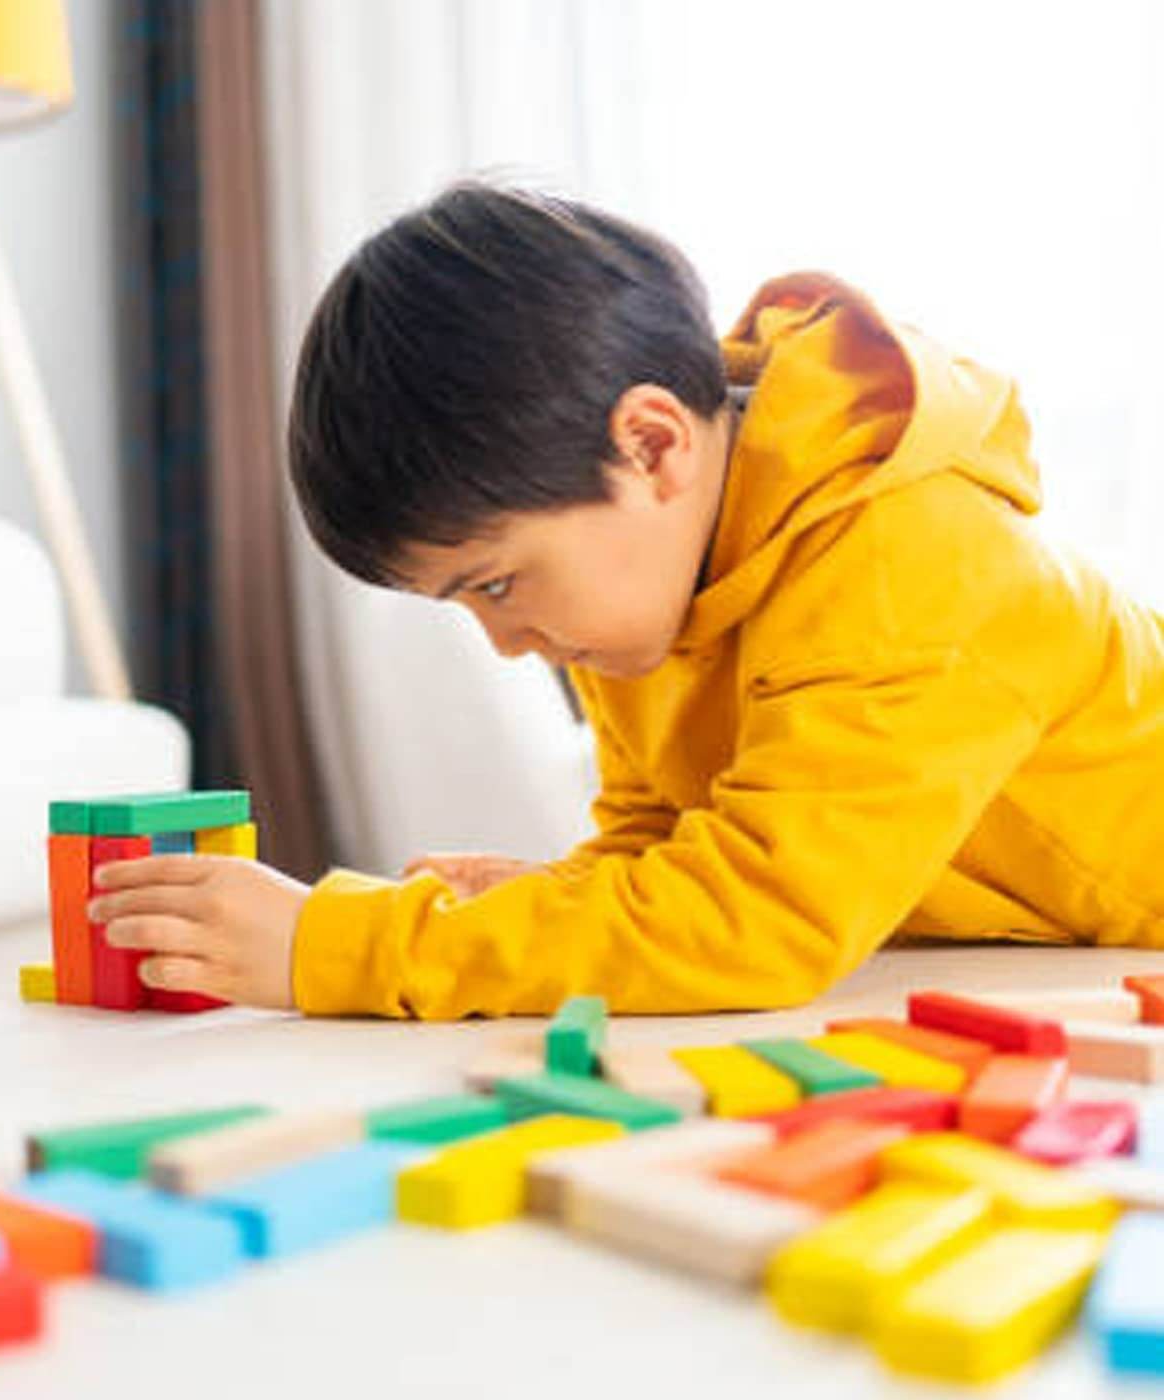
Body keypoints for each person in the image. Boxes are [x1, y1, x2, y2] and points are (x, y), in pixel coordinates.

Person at [86, 181, 1164, 1020]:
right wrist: (528, 908)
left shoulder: (912, 565)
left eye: (496, 583)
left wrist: (346, 945)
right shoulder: (655, 591)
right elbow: (668, 843)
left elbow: (752, 923)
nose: (506, 643)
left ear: (651, 445)